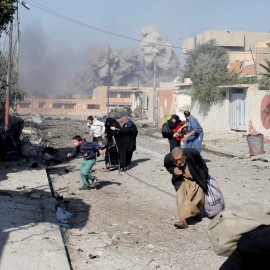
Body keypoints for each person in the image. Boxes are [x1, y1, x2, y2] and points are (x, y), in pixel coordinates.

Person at [164, 147, 208, 228]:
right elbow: (168, 166)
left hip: (196, 179)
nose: (179, 162)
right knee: (181, 198)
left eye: (180, 159)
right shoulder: (168, 158)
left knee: (199, 199)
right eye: (176, 160)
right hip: (182, 179)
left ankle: (195, 213)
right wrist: (174, 170)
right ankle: (183, 220)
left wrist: (203, 178)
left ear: (184, 154)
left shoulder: (193, 153)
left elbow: (203, 166)